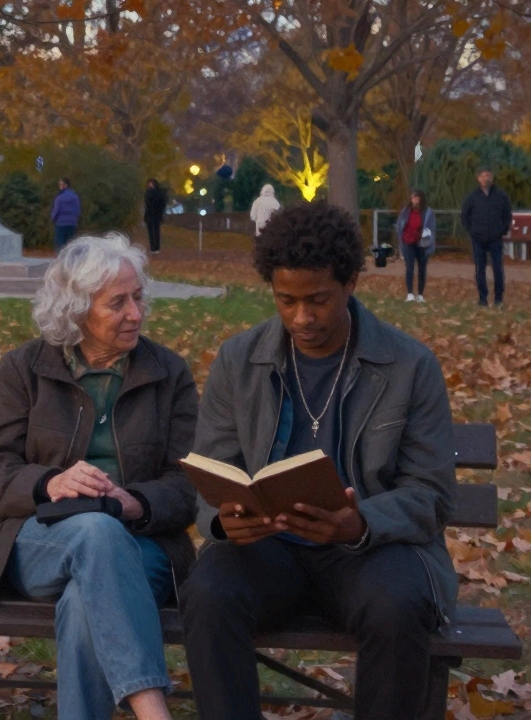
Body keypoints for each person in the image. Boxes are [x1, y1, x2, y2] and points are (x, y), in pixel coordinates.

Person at [179, 201, 457, 720]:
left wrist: (360, 523)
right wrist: (223, 519)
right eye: (286, 301)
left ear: (350, 282)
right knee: (210, 591)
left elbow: (432, 493)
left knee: (398, 605)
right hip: (269, 549)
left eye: (318, 300)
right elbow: (212, 475)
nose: (302, 317)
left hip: (369, 553)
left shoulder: (409, 365)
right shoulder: (239, 360)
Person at [0, 234, 197, 720]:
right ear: (75, 310)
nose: (136, 313)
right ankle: (153, 710)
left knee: (83, 600)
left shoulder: (168, 373)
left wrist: (133, 502)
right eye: (118, 303)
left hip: (142, 545)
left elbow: (187, 482)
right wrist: (48, 483)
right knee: (94, 532)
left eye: (138, 298)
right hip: (37, 540)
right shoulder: (24, 369)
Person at [460, 167, 513, 307]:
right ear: (478, 178)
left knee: (497, 269)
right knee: (480, 270)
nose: (485, 178)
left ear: (492, 177)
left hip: (495, 239)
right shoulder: (472, 197)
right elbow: (464, 215)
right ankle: (482, 298)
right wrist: (472, 231)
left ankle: (498, 299)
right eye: (483, 176)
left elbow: (507, 215)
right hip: (478, 239)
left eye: (488, 175)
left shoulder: (501, 196)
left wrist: (502, 231)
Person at [395, 189, 437, 303]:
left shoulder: (428, 213)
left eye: (416, 198)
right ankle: (409, 293)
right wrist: (401, 239)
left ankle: (420, 294)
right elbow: (399, 225)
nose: (414, 200)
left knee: (422, 269)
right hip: (408, 243)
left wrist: (427, 239)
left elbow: (431, 228)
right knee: (409, 268)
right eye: (413, 198)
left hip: (422, 245)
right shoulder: (406, 211)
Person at [50, 177, 82, 252]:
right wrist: (75, 219)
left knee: (60, 244)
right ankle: (70, 261)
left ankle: (61, 261)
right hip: (72, 223)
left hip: (61, 223)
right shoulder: (75, 197)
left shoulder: (59, 198)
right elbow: (78, 210)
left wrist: (53, 219)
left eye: (61, 184)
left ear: (66, 185)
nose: (60, 186)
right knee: (70, 244)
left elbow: (56, 210)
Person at [143, 179, 167, 254]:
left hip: (156, 214)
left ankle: (156, 248)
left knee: (156, 231)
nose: (150, 185)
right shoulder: (149, 192)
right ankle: (153, 247)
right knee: (151, 232)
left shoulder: (158, 193)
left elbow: (161, 204)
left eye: (151, 184)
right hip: (150, 214)